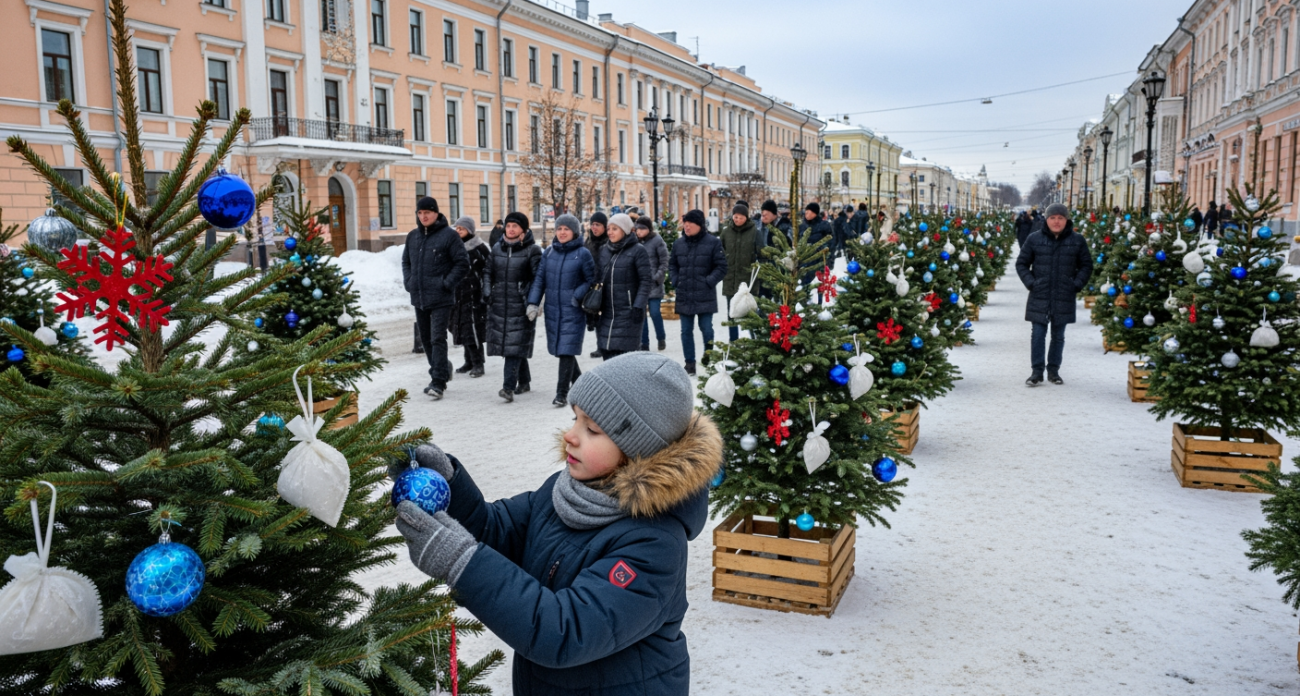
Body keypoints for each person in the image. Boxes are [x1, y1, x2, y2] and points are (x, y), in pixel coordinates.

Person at [392, 352, 722, 696]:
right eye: (576, 419)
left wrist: (462, 563)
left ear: (637, 451)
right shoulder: (566, 490)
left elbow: (564, 632)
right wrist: (449, 483)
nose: (571, 435)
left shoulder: (654, 545)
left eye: (592, 429)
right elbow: (497, 531)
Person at [1015, 203, 1093, 387]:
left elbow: (1086, 265)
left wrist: (1076, 284)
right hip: (1040, 294)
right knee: (1038, 334)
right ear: (1046, 219)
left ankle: (1053, 371)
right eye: (1053, 218)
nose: (1056, 222)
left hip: (1064, 294)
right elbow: (1022, 263)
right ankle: (1036, 372)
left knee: (1058, 335)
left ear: (1066, 220)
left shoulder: (1077, 240)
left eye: (1060, 218)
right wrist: (1031, 283)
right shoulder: (1035, 239)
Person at [402, 196, 469, 400]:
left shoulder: (449, 236)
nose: (423, 216)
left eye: (427, 213)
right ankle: (441, 367)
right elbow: (406, 262)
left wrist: (446, 283)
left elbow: (462, 263)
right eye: (420, 213)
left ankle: (438, 381)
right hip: (419, 295)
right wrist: (409, 281)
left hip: (441, 297)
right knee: (426, 339)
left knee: (437, 337)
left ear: (436, 214)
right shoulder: (413, 236)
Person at [527, 214, 596, 407]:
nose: (562, 232)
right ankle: (584, 387)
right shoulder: (549, 252)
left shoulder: (582, 253)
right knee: (562, 350)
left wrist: (576, 295)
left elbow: (591, 280)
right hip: (552, 309)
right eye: (559, 229)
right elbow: (540, 280)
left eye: (566, 229)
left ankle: (561, 394)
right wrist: (533, 302)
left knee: (566, 350)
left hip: (572, 309)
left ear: (574, 232)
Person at [486, 211, 543, 402]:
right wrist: (487, 290)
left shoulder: (532, 250)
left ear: (523, 231)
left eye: (514, 226)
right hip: (500, 303)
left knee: (513, 345)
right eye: (508, 226)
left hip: (521, 304)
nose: (510, 229)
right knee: (513, 345)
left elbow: (538, 279)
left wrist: (533, 301)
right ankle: (524, 381)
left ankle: (508, 388)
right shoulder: (496, 248)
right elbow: (488, 271)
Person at [669, 209, 726, 375]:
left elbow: (721, 267)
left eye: (690, 223)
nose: (686, 226)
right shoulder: (678, 244)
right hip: (685, 293)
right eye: (685, 223)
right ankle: (690, 363)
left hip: (704, 294)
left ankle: (708, 356)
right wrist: (675, 279)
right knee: (686, 331)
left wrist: (708, 281)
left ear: (699, 225)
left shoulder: (713, 242)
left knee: (706, 328)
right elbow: (672, 264)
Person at [594, 213, 652, 361]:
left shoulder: (638, 251)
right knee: (607, 358)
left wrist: (638, 306)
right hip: (607, 313)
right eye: (609, 229)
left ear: (625, 230)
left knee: (624, 360)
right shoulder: (604, 251)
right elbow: (597, 278)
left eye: (615, 229)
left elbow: (645, 280)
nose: (610, 232)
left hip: (628, 313)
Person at [450, 215, 490, 378]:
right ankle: (468, 361)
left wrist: (484, 290)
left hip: (474, 295)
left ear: (470, 230)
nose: (458, 231)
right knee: (461, 328)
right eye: (457, 228)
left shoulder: (479, 248)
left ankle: (478, 363)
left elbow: (488, 269)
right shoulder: (454, 247)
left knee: (473, 330)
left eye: (462, 228)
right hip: (458, 295)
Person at [719, 203, 758, 342]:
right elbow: (720, 249)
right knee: (732, 312)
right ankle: (733, 341)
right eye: (735, 217)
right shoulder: (726, 231)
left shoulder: (754, 231)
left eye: (740, 217)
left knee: (750, 312)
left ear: (746, 218)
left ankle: (754, 340)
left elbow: (761, 251)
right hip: (730, 278)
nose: (737, 220)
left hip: (748, 279)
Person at [635, 215, 670, 351]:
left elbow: (664, 261)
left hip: (654, 284)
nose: (639, 232)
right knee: (642, 316)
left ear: (648, 229)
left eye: (642, 229)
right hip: (640, 285)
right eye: (637, 229)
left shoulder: (657, 241)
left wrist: (657, 277)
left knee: (655, 313)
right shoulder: (635, 242)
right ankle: (644, 343)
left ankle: (661, 338)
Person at [586, 212, 610, 358]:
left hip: (606, 283)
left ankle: (606, 345)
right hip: (592, 283)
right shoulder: (588, 242)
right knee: (595, 315)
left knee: (605, 316)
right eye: (593, 224)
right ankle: (600, 345)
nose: (594, 228)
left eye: (598, 225)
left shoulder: (609, 242)